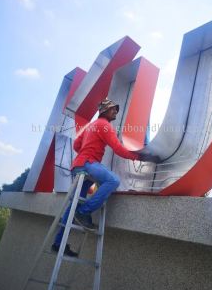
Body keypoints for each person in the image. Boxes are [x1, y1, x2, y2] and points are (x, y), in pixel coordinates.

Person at [52, 98, 159, 257]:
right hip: (88, 164)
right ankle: (84, 211)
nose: (115, 111)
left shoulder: (91, 126)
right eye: (112, 109)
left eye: (116, 109)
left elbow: (76, 145)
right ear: (104, 111)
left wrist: (88, 148)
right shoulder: (104, 125)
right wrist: (139, 157)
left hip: (78, 165)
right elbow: (118, 149)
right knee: (112, 180)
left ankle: (58, 243)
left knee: (72, 207)